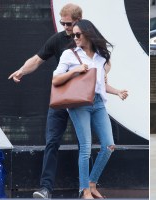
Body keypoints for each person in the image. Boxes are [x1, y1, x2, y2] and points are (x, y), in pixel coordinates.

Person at [8, 3, 83, 198]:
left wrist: (104, 76)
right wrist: (21, 71)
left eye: (69, 24)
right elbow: (37, 59)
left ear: (78, 20)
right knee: (51, 142)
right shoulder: (57, 39)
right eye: (62, 23)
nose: (65, 27)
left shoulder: (88, 39)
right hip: (60, 96)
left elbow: (105, 60)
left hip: (82, 97)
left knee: (85, 143)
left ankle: (86, 189)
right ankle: (46, 188)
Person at [52, 19, 128, 199]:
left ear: (88, 34)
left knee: (109, 145)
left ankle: (92, 183)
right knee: (85, 148)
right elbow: (55, 79)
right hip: (79, 105)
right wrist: (75, 70)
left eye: (78, 34)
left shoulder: (101, 57)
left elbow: (99, 85)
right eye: (73, 35)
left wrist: (117, 91)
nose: (75, 37)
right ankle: (84, 190)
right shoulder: (69, 55)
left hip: (99, 103)